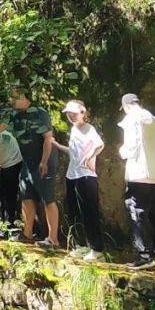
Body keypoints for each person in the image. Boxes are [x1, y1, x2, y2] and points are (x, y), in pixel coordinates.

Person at [0, 88, 59, 248]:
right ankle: (27, 234)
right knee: (27, 196)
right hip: (28, 163)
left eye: (13, 100)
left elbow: (48, 139)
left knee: (48, 199)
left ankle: (53, 238)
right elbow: (2, 126)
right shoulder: (15, 114)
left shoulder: (39, 112)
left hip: (44, 161)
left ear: (22, 96)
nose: (11, 103)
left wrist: (44, 161)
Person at [118, 93, 155, 268]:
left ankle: (144, 254)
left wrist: (121, 152)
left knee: (136, 211)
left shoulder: (133, 119)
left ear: (126, 106)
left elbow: (131, 147)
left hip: (139, 174)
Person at [53, 100, 105, 260]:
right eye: (69, 114)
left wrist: (90, 157)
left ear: (83, 113)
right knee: (74, 212)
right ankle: (80, 245)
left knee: (89, 212)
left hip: (86, 176)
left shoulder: (89, 129)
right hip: (72, 175)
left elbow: (100, 145)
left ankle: (97, 250)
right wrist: (56, 145)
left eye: (74, 114)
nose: (71, 116)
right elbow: (73, 152)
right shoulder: (74, 130)